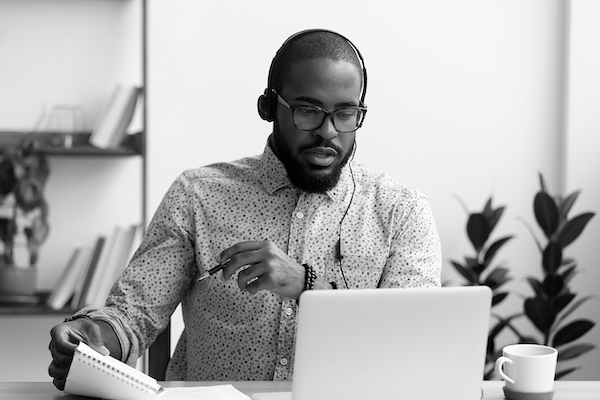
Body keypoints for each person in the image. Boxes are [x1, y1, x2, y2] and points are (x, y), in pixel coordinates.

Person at [48, 29, 442, 388]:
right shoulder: (197, 194)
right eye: (308, 110)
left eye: (345, 114)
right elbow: (135, 313)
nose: (328, 131)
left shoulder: (401, 211)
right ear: (269, 107)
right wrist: (94, 336)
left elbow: (412, 345)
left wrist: (307, 285)